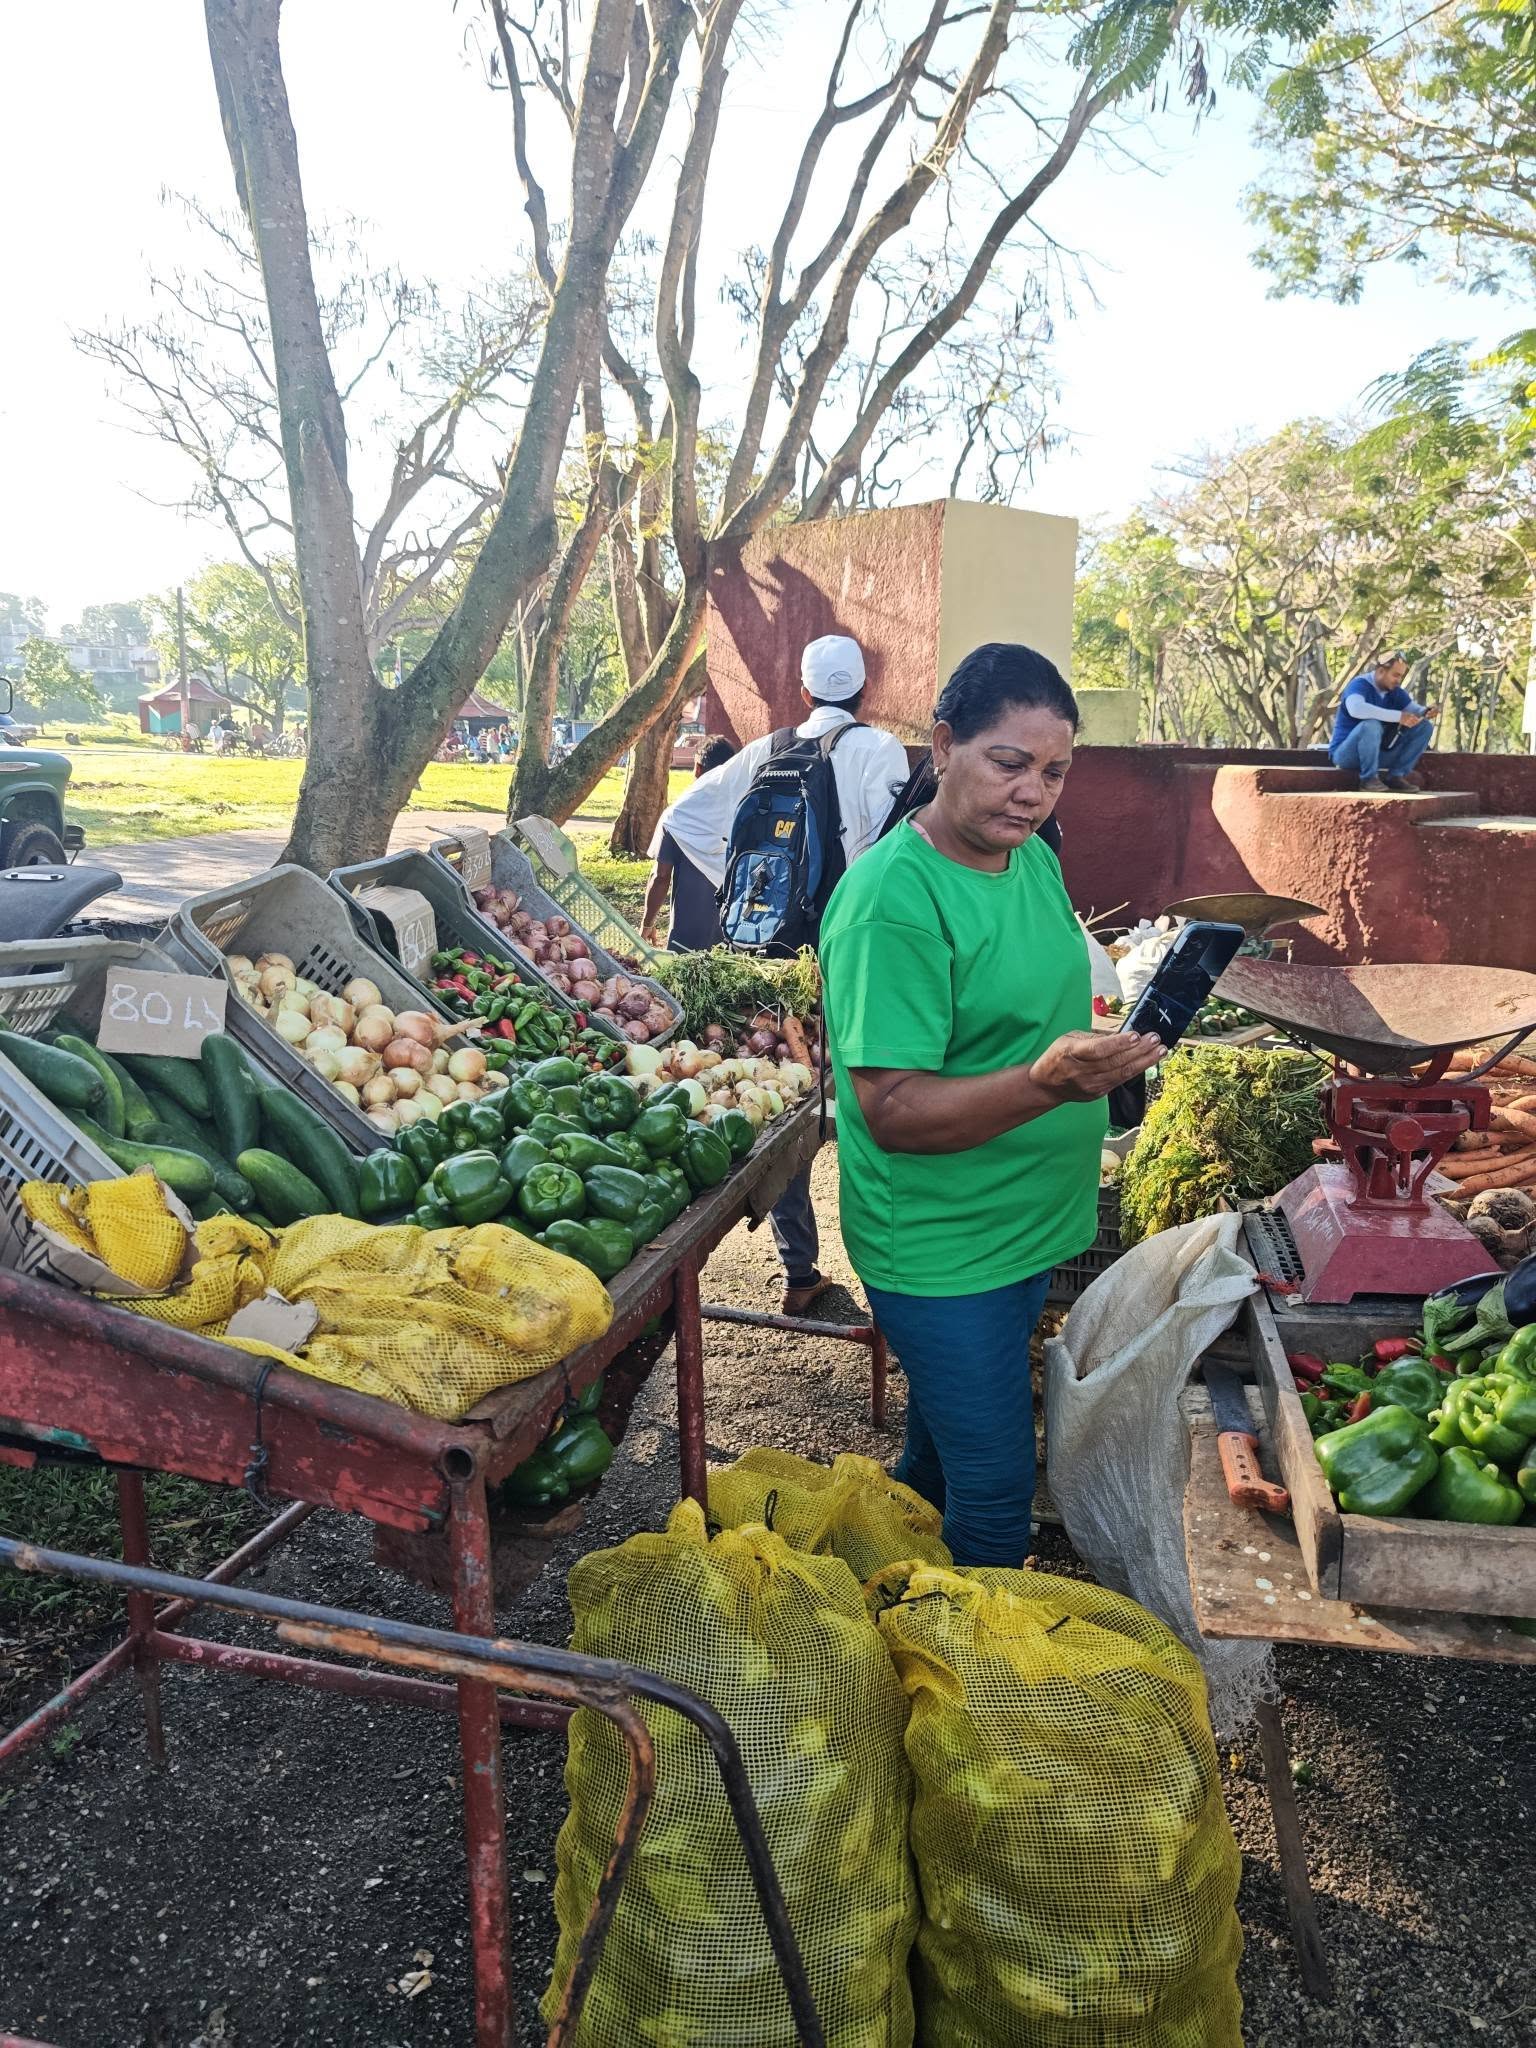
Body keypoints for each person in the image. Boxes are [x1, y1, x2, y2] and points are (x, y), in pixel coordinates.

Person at [820, 642, 1162, 1564]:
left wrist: (1105, 1050)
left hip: (1027, 1226)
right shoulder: (892, 901)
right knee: (999, 1488)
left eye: (1054, 772)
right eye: (1008, 763)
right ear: (942, 746)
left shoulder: (1032, 864)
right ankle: (971, 1687)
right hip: (943, 1246)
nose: (1032, 792)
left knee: (938, 1458)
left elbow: (1031, 1009)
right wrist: (1051, 1082)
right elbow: (892, 1109)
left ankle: (888, 1588)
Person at [661, 633, 911, 1314]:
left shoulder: (768, 749)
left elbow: (683, 817)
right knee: (871, 1098)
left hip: (776, 960)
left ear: (803, 692)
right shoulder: (881, 750)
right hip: (853, 956)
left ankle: (800, 1274)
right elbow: (894, 850)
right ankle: (891, 1277)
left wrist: (736, 896)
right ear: (865, 691)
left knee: (791, 1109)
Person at [641, 736, 739, 950]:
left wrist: (647, 923)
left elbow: (660, 877)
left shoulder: (678, 816)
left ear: (697, 767)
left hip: (686, 938)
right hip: (734, 933)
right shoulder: (743, 811)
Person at [1328, 651, 1438, 792]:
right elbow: (1356, 709)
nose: (1398, 680)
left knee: (1424, 727)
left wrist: (1426, 711)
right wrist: (1398, 716)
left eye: (1401, 676)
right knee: (1371, 725)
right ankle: (1368, 779)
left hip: (1377, 755)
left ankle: (1395, 776)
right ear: (1380, 671)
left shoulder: (1395, 691)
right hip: (1346, 755)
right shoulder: (1359, 685)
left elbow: (1413, 709)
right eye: (1395, 675)